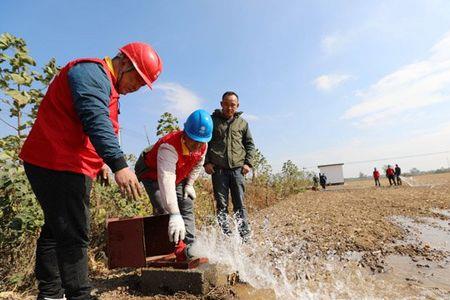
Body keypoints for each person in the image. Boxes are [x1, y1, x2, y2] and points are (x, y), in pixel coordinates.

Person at [19, 42, 162, 300]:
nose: (136, 89)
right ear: (125, 63)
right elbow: (94, 118)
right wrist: (119, 164)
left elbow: (98, 128)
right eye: (138, 81)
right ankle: (79, 295)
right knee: (75, 233)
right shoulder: (90, 73)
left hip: (61, 162)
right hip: (58, 161)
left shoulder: (108, 86)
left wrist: (102, 163)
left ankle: (51, 294)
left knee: (57, 228)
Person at [135, 109, 213, 260]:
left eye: (200, 142)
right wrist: (175, 214)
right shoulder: (168, 147)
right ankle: (176, 250)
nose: (197, 146)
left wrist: (189, 184)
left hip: (178, 173)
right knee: (164, 208)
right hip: (152, 173)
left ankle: (190, 248)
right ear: (185, 134)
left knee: (186, 202)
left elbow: (198, 165)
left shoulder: (203, 145)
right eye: (194, 141)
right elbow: (166, 180)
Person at [204, 91, 255, 241]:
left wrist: (248, 164)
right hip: (218, 171)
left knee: (239, 204)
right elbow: (204, 143)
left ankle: (244, 237)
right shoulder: (211, 121)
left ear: (237, 106)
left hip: (238, 171)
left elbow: (250, 145)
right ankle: (226, 238)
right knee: (221, 205)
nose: (229, 107)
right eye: (226, 104)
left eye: (232, 105)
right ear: (221, 104)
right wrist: (206, 162)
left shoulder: (243, 123)